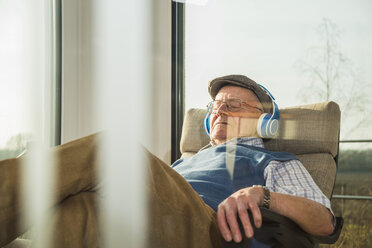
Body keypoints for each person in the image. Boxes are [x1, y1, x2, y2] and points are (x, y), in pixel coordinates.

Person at [0, 75, 334, 248]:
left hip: (211, 231)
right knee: (80, 208)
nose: (219, 111)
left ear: (265, 121)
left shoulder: (274, 160)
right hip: (151, 225)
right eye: (216, 105)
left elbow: (324, 222)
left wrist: (262, 195)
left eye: (233, 105)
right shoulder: (181, 164)